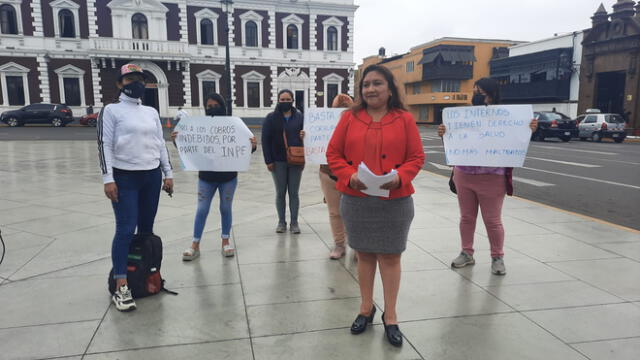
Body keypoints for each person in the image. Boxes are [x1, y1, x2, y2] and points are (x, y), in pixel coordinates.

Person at [326, 65, 425, 347]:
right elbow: (333, 154)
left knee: (391, 257)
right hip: (357, 200)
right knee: (365, 255)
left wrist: (400, 177)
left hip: (395, 201)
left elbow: (416, 157)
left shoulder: (404, 119)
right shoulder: (348, 118)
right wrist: (348, 176)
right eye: (366, 84)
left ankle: (390, 316)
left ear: (390, 88)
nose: (370, 89)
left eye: (377, 83)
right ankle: (365, 308)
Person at [438, 77, 538, 276]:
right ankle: (466, 252)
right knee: (466, 217)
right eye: (474, 91)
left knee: (492, 220)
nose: (476, 96)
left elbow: (516, 140)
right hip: (464, 174)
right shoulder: (463, 117)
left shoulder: (508, 117)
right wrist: (445, 133)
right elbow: (455, 144)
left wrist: (529, 130)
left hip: (493, 177)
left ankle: (497, 257)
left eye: (480, 93)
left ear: (492, 95)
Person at [97, 63, 174, 312]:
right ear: (119, 84)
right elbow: (104, 145)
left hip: (151, 175)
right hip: (125, 177)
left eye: (139, 79)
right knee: (126, 230)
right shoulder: (111, 111)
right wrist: (108, 178)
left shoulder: (151, 111)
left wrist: (168, 173)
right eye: (130, 79)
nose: (136, 83)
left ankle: (144, 275)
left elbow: (159, 143)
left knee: (146, 230)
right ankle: (122, 285)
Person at [170, 93, 257, 260]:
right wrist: (178, 141)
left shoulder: (234, 124)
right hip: (206, 177)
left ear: (222, 106)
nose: (211, 109)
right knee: (202, 209)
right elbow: (191, 147)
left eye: (214, 105)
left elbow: (244, 146)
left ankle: (225, 241)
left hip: (228, 177)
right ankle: (195, 244)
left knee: (225, 208)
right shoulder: (200, 125)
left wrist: (252, 145)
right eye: (208, 106)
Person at [300, 93, 353, 259]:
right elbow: (317, 143)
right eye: (337, 109)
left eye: (344, 108)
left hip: (352, 175)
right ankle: (339, 244)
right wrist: (306, 137)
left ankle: (357, 245)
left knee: (354, 212)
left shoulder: (359, 122)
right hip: (328, 173)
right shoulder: (324, 122)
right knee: (334, 212)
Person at [261, 89, 305, 234]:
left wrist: (304, 134)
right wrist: (268, 160)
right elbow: (265, 140)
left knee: (294, 193)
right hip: (277, 161)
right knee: (280, 192)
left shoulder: (300, 117)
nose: (285, 102)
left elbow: (308, 135)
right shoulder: (271, 118)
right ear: (278, 100)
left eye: (288, 99)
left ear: (292, 100)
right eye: (282, 99)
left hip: (296, 160)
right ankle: (281, 222)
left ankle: (294, 222)